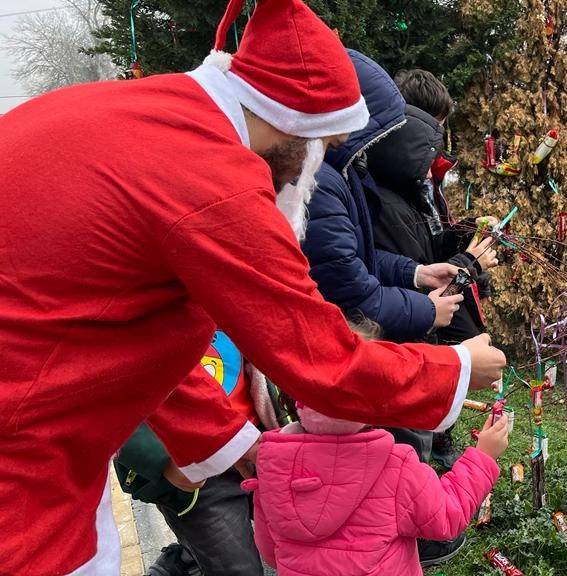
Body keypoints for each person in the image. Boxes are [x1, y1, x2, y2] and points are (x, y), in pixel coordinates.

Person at [0, 0, 506, 574]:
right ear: (302, 128)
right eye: (330, 146)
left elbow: (129, 332)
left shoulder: (142, 115)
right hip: (25, 487)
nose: (314, 171)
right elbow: (316, 360)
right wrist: (457, 367)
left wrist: (236, 446)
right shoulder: (213, 178)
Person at [243, 319, 509, 576]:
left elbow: (269, 552)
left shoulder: (272, 468)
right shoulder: (395, 466)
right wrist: (483, 457)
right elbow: (447, 516)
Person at [302, 51, 463, 342]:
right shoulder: (321, 183)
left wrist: (418, 273)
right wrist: (427, 310)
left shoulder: (345, 173)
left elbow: (360, 257)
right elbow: (350, 294)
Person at [389, 70, 497, 472]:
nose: (439, 136)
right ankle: (431, 448)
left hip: (439, 286)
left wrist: (463, 232)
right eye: (435, 125)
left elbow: (428, 238)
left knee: (451, 360)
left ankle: (440, 437)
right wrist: (468, 263)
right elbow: (407, 260)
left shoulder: (425, 176)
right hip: (422, 308)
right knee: (438, 369)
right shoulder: (395, 185)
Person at [115, 331, 277, 576]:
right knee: (236, 567)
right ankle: (192, 554)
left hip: (258, 441)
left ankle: (189, 555)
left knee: (296, 539)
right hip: (192, 467)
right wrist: (162, 460)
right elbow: (92, 388)